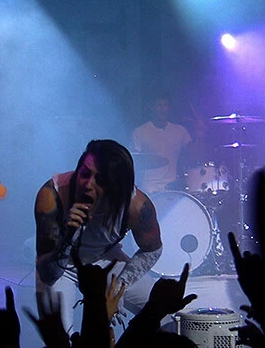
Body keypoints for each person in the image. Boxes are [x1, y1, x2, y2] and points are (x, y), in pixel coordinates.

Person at [34, 139, 164, 332]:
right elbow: (47, 273)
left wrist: (120, 286)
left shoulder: (136, 206)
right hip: (60, 263)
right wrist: (68, 236)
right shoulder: (52, 195)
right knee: (58, 337)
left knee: (163, 314)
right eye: (85, 174)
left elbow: (152, 249)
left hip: (105, 259)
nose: (88, 185)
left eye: (101, 180)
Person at [131, 92, 192, 195]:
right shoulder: (140, 131)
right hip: (148, 188)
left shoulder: (179, 130)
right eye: (159, 105)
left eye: (165, 105)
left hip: (173, 187)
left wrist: (200, 135)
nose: (162, 109)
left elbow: (194, 155)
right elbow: (135, 159)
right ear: (152, 108)